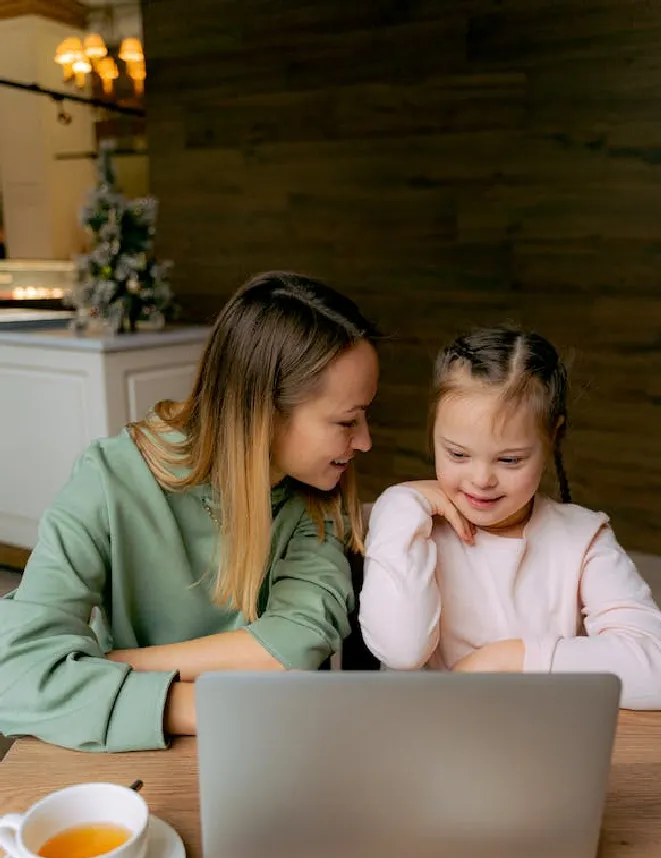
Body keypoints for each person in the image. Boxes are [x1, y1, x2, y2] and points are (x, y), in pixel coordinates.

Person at [0, 271, 380, 751]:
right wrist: (198, 706)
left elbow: (297, 644)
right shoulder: (110, 478)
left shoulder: (317, 497)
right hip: (140, 755)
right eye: (347, 421)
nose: (365, 442)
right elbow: (13, 673)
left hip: (255, 746)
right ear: (264, 413)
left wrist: (114, 664)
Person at [359, 326, 661, 709]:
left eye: (510, 460)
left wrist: (508, 659)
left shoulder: (582, 538)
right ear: (434, 433)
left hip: (537, 747)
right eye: (458, 454)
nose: (481, 479)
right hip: (421, 749)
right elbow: (401, 649)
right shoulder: (408, 523)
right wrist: (400, 501)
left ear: (552, 438)